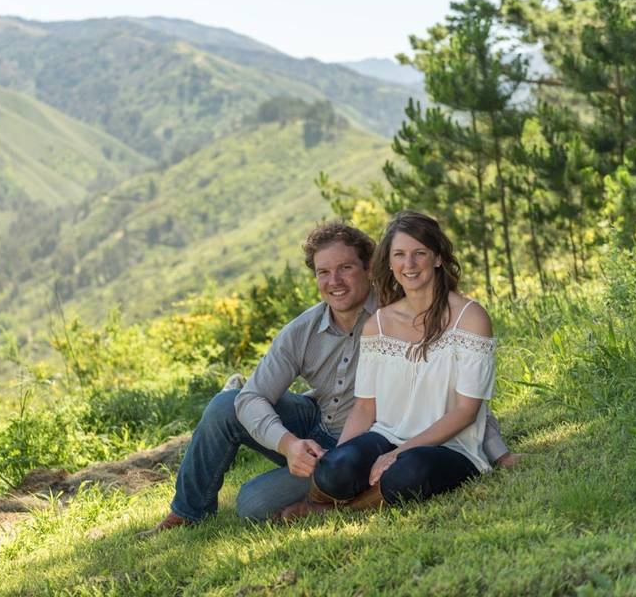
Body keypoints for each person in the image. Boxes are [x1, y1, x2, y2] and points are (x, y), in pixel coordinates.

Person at [140, 220, 514, 536]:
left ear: (369, 267)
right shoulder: (302, 331)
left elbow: (458, 398)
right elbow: (250, 398)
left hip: (375, 437)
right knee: (227, 404)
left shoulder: (399, 312)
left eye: (345, 268)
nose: (334, 281)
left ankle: (336, 493)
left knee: (252, 506)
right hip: (325, 428)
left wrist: (496, 452)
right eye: (323, 272)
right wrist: (288, 444)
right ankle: (187, 512)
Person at [279, 211, 499, 520]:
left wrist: (399, 453)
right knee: (336, 468)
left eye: (419, 253)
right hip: (385, 434)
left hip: (451, 448)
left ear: (437, 258)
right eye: (399, 255)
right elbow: (366, 408)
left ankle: (326, 511)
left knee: (407, 473)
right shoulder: (378, 324)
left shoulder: (470, 319)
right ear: (390, 263)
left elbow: (466, 411)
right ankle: (326, 498)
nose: (409, 264)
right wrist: (337, 456)